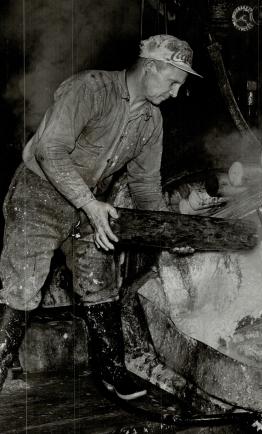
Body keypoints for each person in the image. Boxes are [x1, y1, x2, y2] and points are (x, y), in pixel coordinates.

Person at [0, 35, 202, 400]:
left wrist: (169, 232)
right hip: (39, 193)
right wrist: (91, 206)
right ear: (151, 66)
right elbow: (50, 150)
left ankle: (112, 372)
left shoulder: (151, 121)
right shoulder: (90, 89)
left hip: (90, 202)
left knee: (99, 282)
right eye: (173, 82)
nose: (175, 94)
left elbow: (145, 185)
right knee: (22, 286)